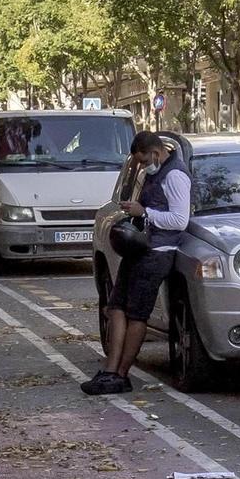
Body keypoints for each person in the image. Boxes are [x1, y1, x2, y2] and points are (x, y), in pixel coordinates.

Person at [84, 133, 190, 395]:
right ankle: (110, 370)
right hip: (140, 248)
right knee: (116, 306)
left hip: (158, 252)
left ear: (154, 152)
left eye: (143, 160)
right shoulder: (156, 173)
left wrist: (145, 213)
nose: (142, 166)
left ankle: (121, 374)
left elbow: (179, 220)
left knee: (136, 314)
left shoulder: (175, 175)